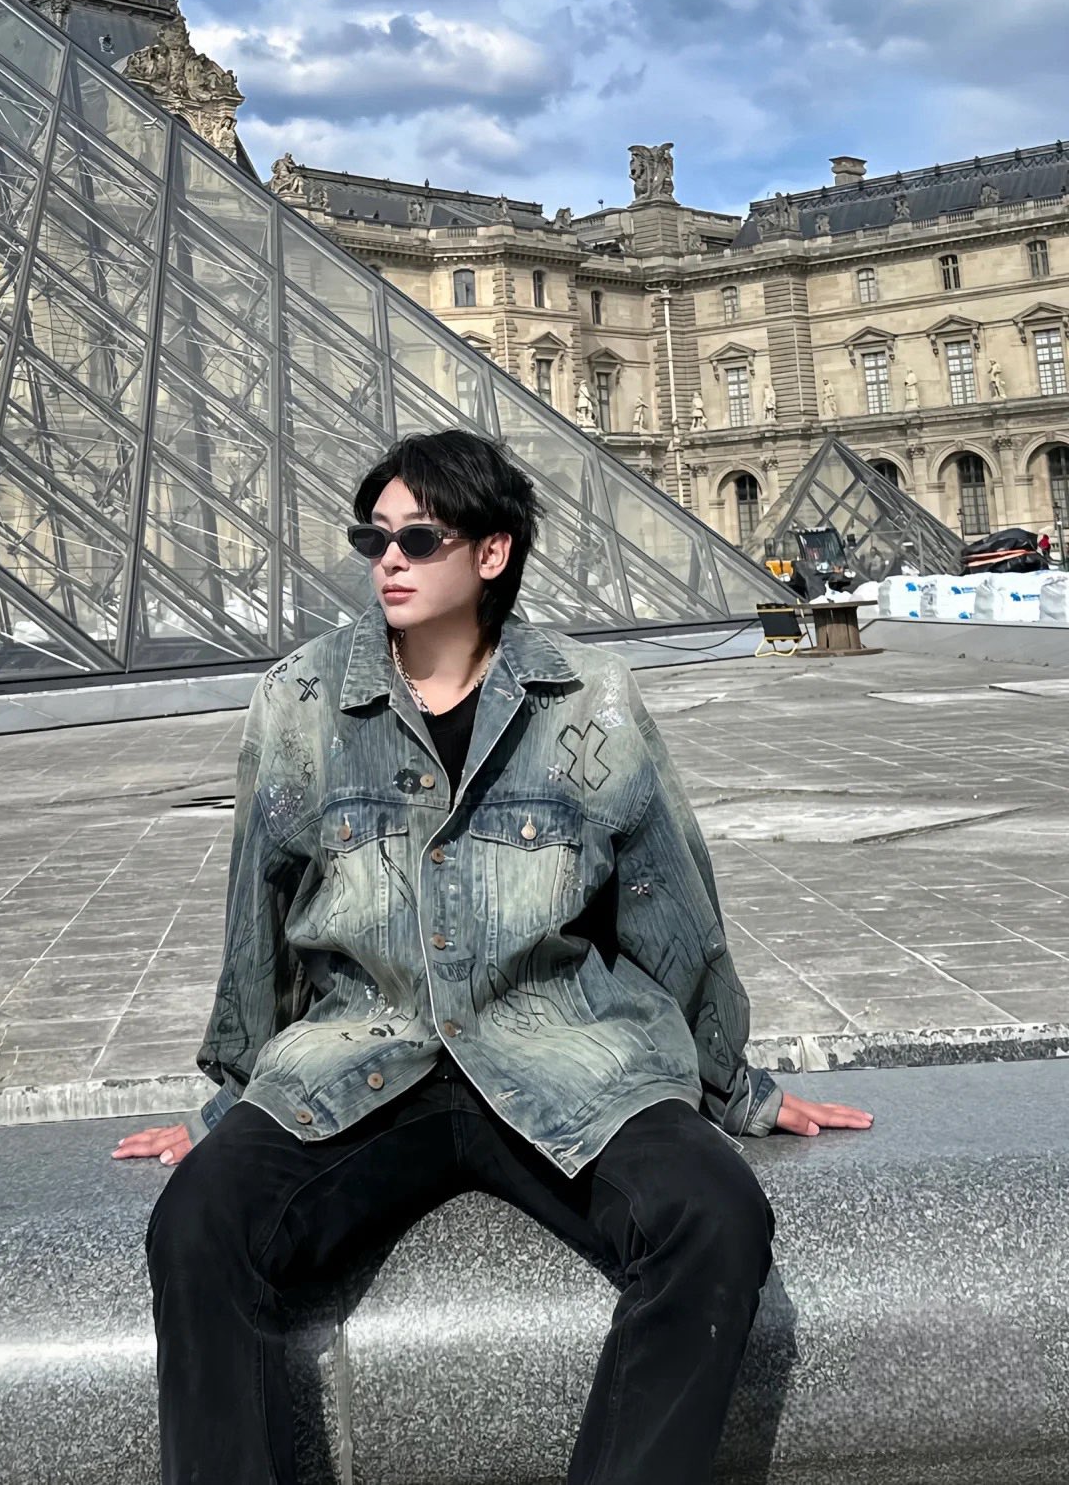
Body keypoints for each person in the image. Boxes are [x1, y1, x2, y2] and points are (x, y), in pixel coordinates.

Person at [116, 429, 873, 1485]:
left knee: (716, 1214)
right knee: (197, 1225)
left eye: (418, 538)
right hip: (362, 1061)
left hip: (563, 1051)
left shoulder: (589, 698)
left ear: (491, 552)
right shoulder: (299, 700)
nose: (387, 558)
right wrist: (231, 1102)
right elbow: (260, 909)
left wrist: (733, 1090)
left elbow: (667, 903)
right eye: (372, 537)